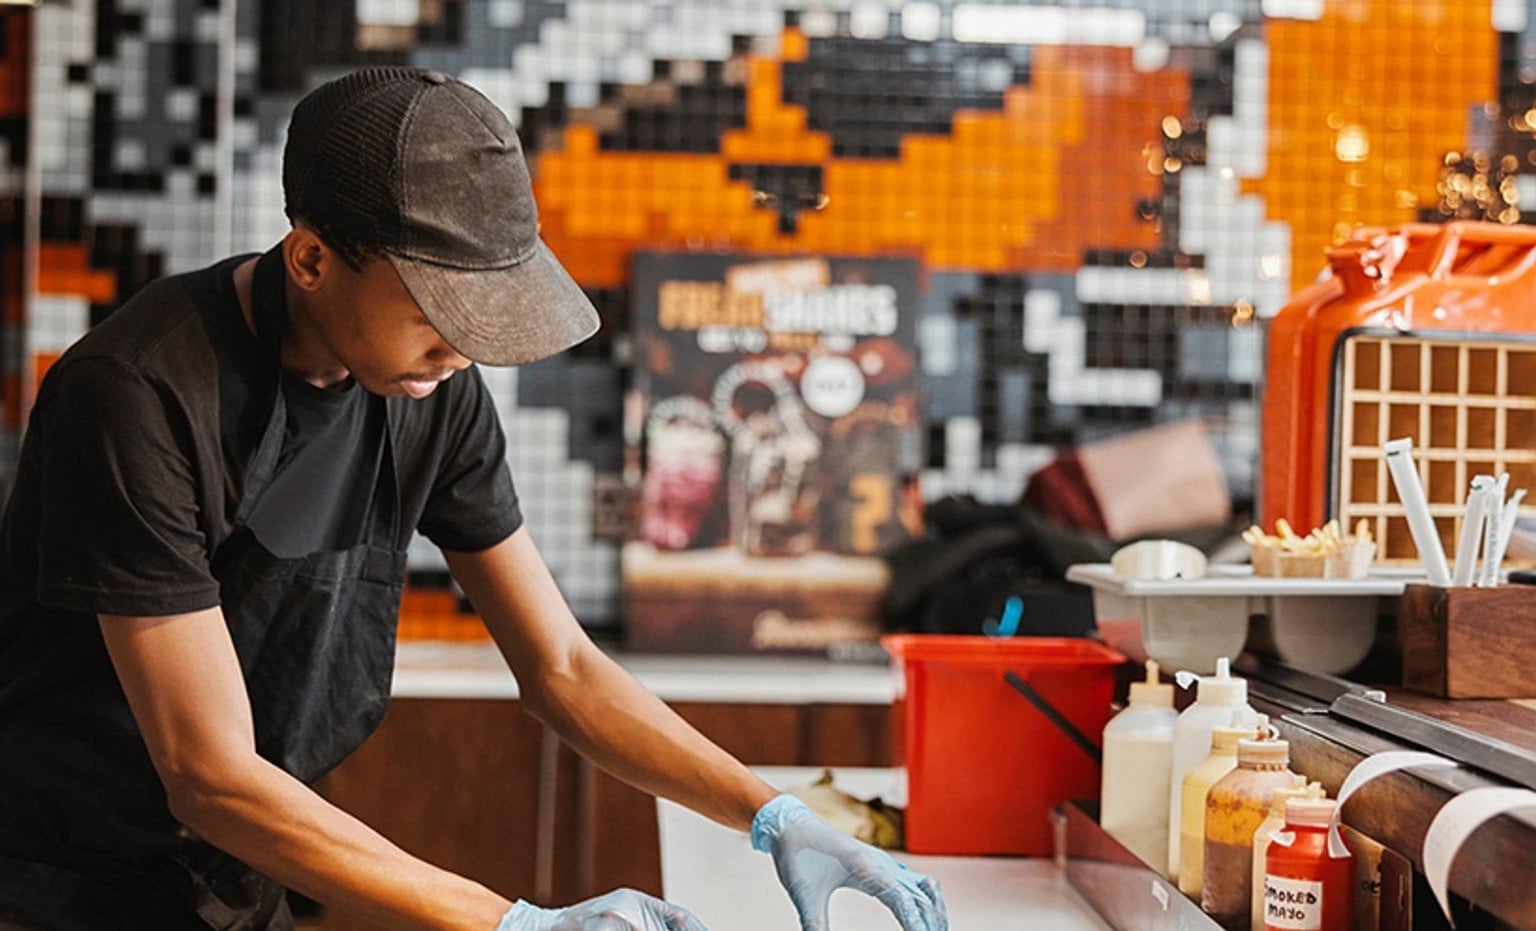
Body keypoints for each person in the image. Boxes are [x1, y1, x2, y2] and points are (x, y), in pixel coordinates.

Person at [0, 67, 947, 931]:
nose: (462, 348)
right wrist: (515, 922)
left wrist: (771, 812)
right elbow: (208, 774)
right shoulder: (138, 396)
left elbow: (562, 667)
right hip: (54, 879)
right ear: (311, 259)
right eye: (435, 311)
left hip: (236, 871)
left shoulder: (431, 389)